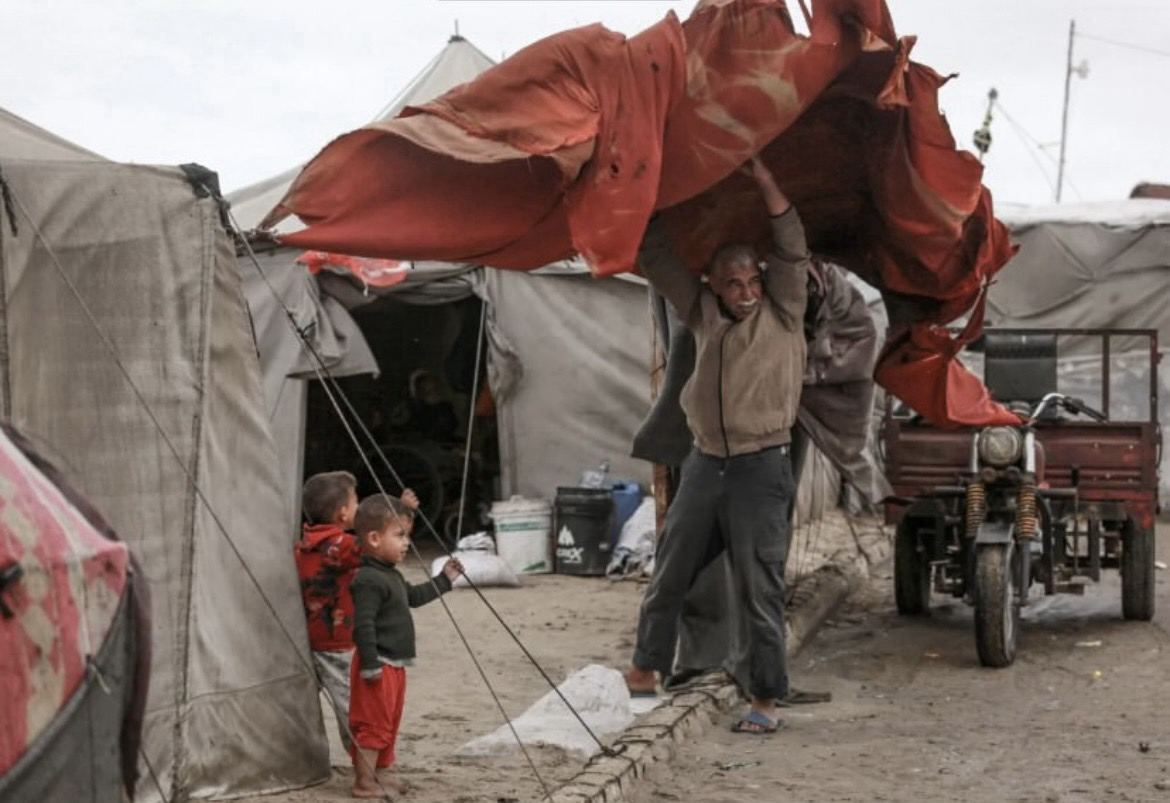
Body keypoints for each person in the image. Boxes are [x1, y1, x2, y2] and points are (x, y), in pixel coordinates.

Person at [625, 156, 809, 735]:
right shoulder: (702, 311)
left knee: (759, 588)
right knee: (671, 568)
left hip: (762, 465)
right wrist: (647, 190)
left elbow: (792, 246)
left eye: (754, 281)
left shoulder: (785, 310)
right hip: (706, 463)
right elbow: (656, 260)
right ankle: (645, 669)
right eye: (735, 284)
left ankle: (766, 701)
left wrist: (765, 180)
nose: (747, 293)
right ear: (714, 285)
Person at [348, 494, 463, 798]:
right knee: (373, 726)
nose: (406, 543)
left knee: (388, 724)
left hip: (395, 665)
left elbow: (413, 597)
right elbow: (363, 626)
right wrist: (371, 663)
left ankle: (383, 775)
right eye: (399, 535)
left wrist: (445, 580)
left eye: (407, 536)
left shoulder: (391, 574)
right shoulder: (368, 580)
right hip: (378, 665)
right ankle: (364, 782)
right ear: (373, 538)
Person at [294, 471, 418, 751]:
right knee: (357, 709)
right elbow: (376, 544)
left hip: (309, 640)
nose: (360, 509)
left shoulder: (303, 546)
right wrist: (403, 513)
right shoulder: (338, 547)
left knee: (303, 707)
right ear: (342, 514)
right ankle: (365, 767)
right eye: (356, 504)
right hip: (340, 646)